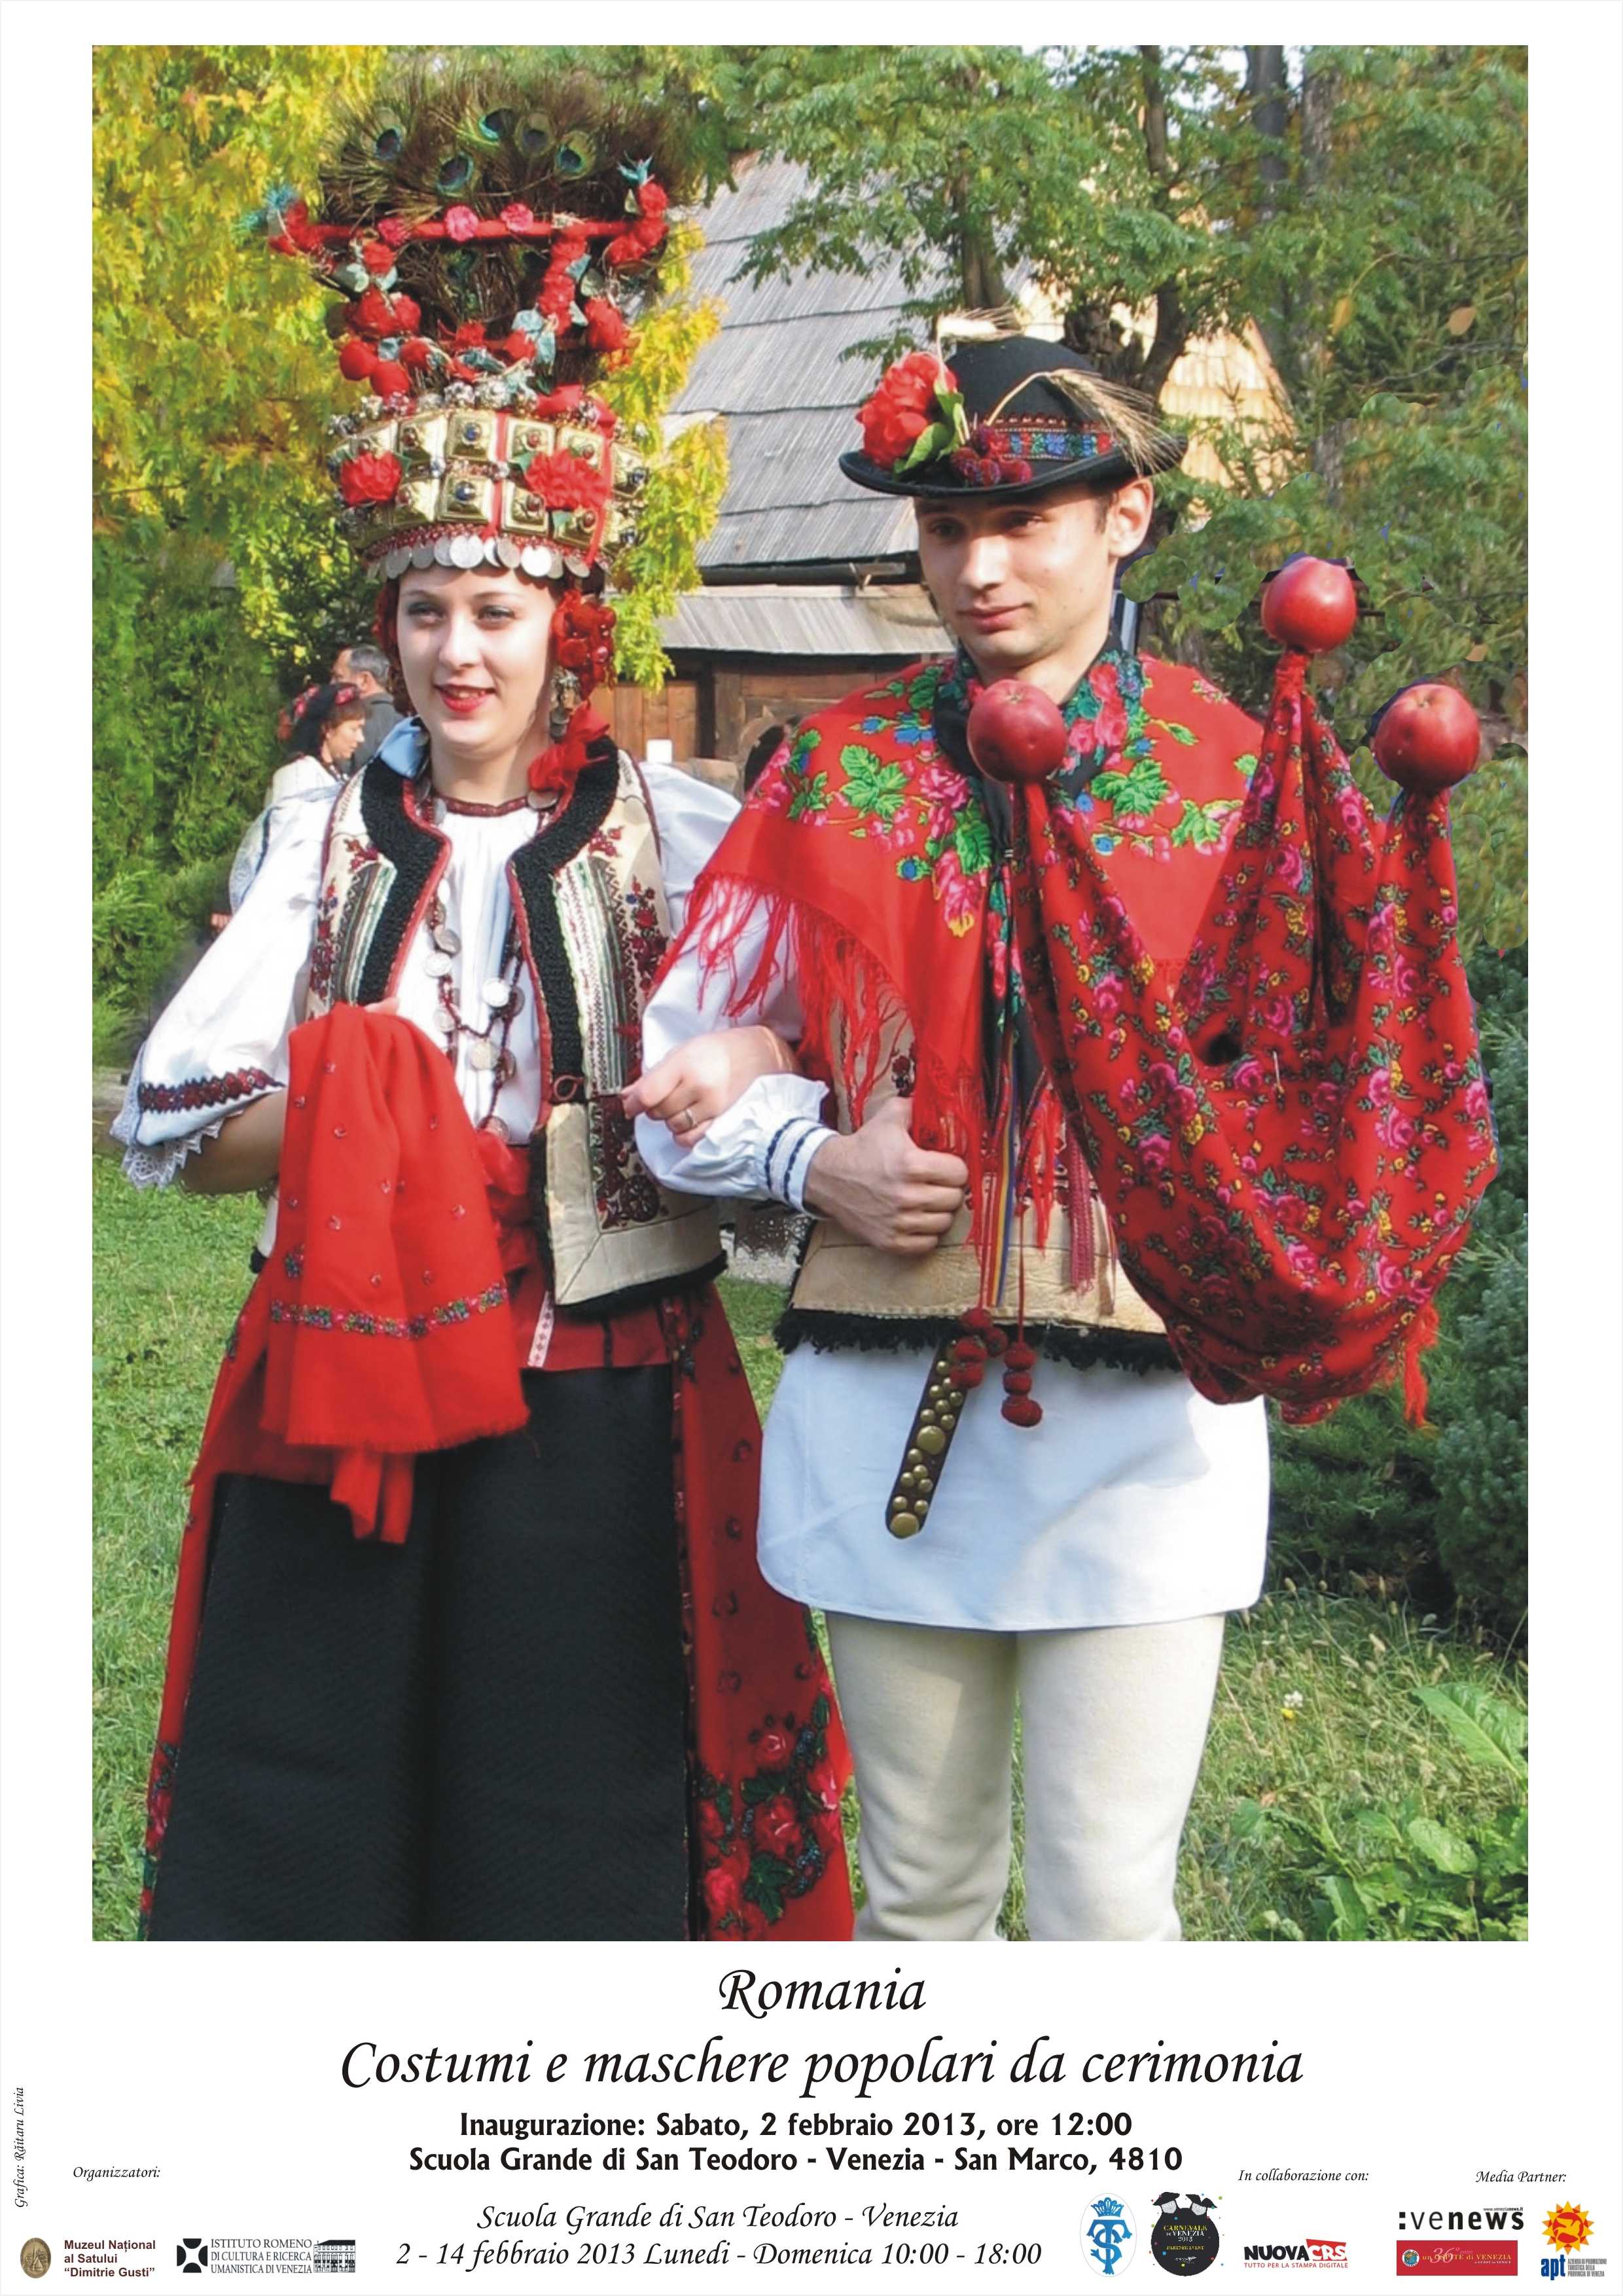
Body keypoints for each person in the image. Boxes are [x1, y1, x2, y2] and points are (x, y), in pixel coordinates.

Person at [111, 63, 853, 1945]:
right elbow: (173, 1122)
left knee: (575, 1805)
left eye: (497, 613)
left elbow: (815, 1058)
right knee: (319, 1788)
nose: (458, 651)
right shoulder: (326, 833)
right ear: (387, 626)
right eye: (425, 609)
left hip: (602, 1387)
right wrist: (371, 1125)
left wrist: (744, 1061)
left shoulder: (674, 835)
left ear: (565, 628)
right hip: (342, 1376)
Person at [632, 327, 1493, 1941]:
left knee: (1108, 1902)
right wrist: (815, 1159)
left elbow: (1335, 1099)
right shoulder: (837, 769)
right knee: (922, 1893)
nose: (977, 568)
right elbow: (681, 1078)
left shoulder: (1237, 772)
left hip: (1148, 1421)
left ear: (1125, 519)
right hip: (889, 1404)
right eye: (945, 526)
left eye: (1022, 521)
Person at [226, 679, 369, 912]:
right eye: (354, 729)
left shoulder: (336, 776)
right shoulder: (298, 777)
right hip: (294, 905)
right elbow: (287, 852)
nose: (361, 739)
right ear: (327, 729)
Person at [331, 639, 402, 765]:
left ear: (364, 681)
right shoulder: (406, 719)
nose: (332, 684)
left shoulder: (353, 722)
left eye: (338, 677)